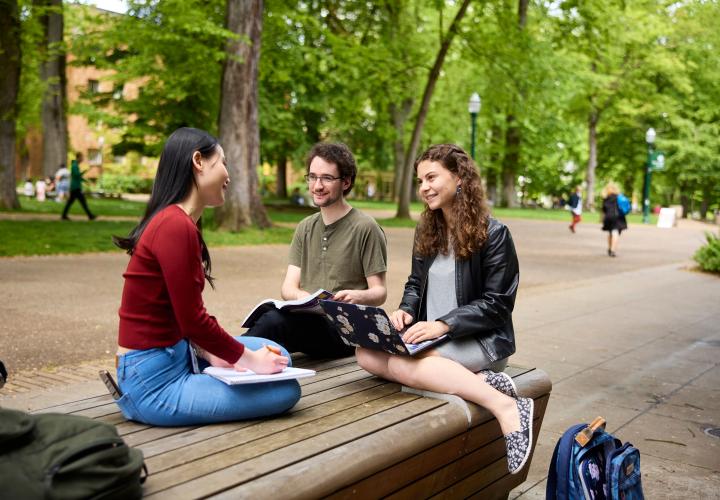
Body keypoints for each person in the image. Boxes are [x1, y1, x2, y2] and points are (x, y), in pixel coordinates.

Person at [355, 144, 533, 475]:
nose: (424, 187)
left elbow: (498, 305)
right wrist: (405, 310)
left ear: (460, 177)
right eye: (420, 180)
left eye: (432, 177)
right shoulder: (427, 230)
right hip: (431, 338)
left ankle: (507, 406)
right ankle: (481, 383)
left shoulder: (494, 234)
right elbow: (414, 284)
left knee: (416, 363)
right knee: (365, 353)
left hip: (479, 340)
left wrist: (444, 325)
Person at [112, 127, 301, 426]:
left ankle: (216, 364)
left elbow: (184, 315)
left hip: (176, 352)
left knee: (280, 356)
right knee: (285, 391)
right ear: (198, 161)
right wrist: (247, 360)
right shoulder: (174, 226)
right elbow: (192, 319)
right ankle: (139, 404)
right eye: (223, 161)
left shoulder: (180, 223)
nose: (228, 174)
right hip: (153, 381)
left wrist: (214, 354)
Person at [246, 142, 388, 359]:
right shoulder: (305, 227)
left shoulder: (366, 227)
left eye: (327, 178)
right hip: (307, 321)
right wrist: (304, 298)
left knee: (275, 323)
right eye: (312, 177)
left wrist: (356, 296)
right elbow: (288, 287)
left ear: (346, 182)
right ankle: (236, 360)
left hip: (346, 332)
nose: (317, 185)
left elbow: (379, 292)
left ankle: (229, 359)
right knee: (269, 321)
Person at [61, 153, 96, 220]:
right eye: (82, 158)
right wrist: (85, 171)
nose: (82, 159)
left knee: (71, 202)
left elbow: (78, 177)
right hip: (75, 187)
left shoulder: (75, 165)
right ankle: (90, 216)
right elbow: (77, 175)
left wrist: (86, 181)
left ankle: (64, 215)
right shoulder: (74, 166)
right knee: (82, 202)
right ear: (78, 157)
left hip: (75, 187)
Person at [601, 182, 627, 257]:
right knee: (615, 233)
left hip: (608, 217)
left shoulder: (606, 198)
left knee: (610, 233)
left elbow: (604, 209)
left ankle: (609, 248)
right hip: (617, 217)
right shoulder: (619, 197)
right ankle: (612, 250)